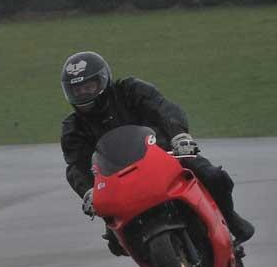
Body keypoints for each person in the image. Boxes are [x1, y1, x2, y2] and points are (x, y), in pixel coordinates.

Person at [60, 51, 254, 255]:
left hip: (164, 156)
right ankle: (155, 262)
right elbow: (75, 165)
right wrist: (88, 192)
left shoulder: (130, 90)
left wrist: (179, 135)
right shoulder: (73, 127)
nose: (83, 94)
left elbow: (163, 108)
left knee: (213, 177)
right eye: (77, 90)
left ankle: (231, 220)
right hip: (118, 180)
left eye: (89, 87)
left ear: (103, 80)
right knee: (116, 243)